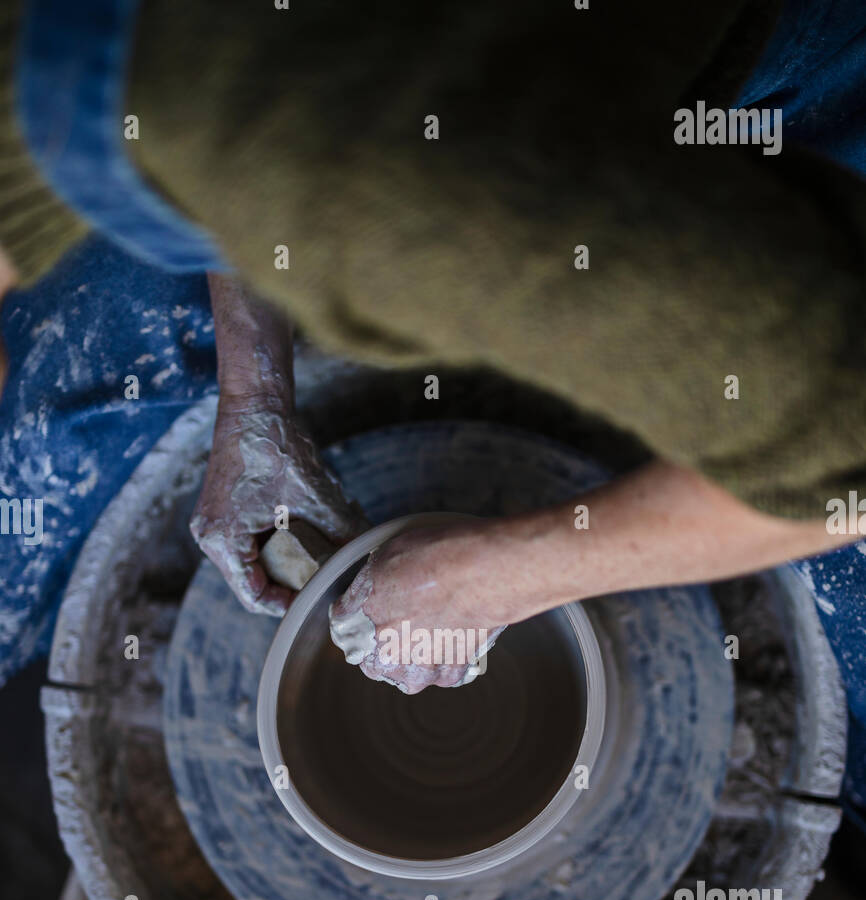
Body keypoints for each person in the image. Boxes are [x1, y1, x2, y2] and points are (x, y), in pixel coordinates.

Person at [1, 1, 866, 824]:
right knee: (96, 329)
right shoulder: (115, 83)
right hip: (505, 113)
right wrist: (254, 396)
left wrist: (488, 581)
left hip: (812, 73)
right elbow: (230, 116)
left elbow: (849, 458)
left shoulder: (410, 202)